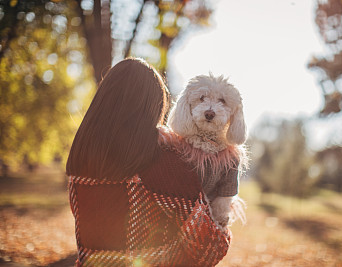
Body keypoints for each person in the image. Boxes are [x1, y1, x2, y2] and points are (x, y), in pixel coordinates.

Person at [66, 58, 230, 267]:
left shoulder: (82, 155)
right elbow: (208, 248)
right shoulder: (166, 162)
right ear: (153, 107)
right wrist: (222, 223)